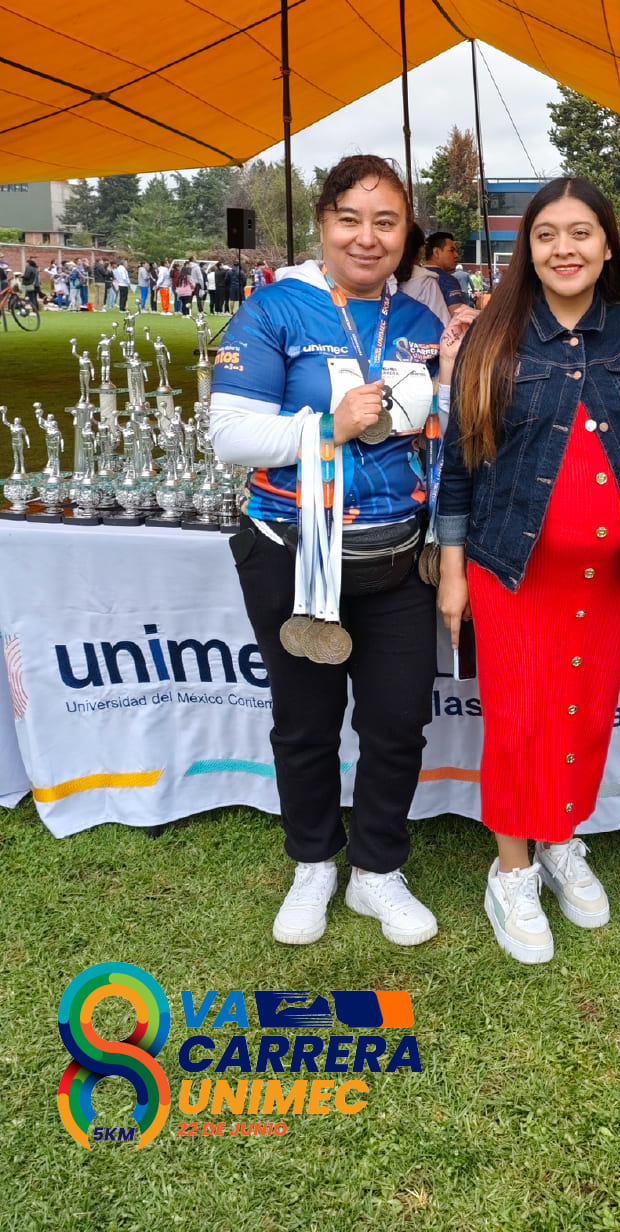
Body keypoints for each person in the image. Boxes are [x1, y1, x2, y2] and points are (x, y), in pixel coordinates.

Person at [209, 153, 464, 950]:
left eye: (386, 222)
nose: (367, 237)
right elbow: (229, 436)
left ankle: (377, 870)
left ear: (406, 234)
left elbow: (437, 435)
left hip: (397, 559)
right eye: (350, 219)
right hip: (293, 554)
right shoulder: (276, 309)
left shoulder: (417, 322)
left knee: (398, 723)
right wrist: (329, 427)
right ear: (323, 224)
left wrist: (452, 375)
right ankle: (314, 862)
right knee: (306, 724)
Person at [437, 178, 620, 966]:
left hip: (604, 578)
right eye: (546, 235)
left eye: (581, 233)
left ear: (607, 244)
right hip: (511, 569)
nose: (564, 249)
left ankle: (560, 837)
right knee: (521, 719)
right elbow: (459, 463)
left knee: (583, 714)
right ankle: (512, 871)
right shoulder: (491, 333)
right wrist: (453, 571)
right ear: (526, 249)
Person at [424, 231, 472, 313]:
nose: (456, 255)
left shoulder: (413, 278)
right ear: (436, 252)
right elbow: (458, 316)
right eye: (451, 250)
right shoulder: (448, 281)